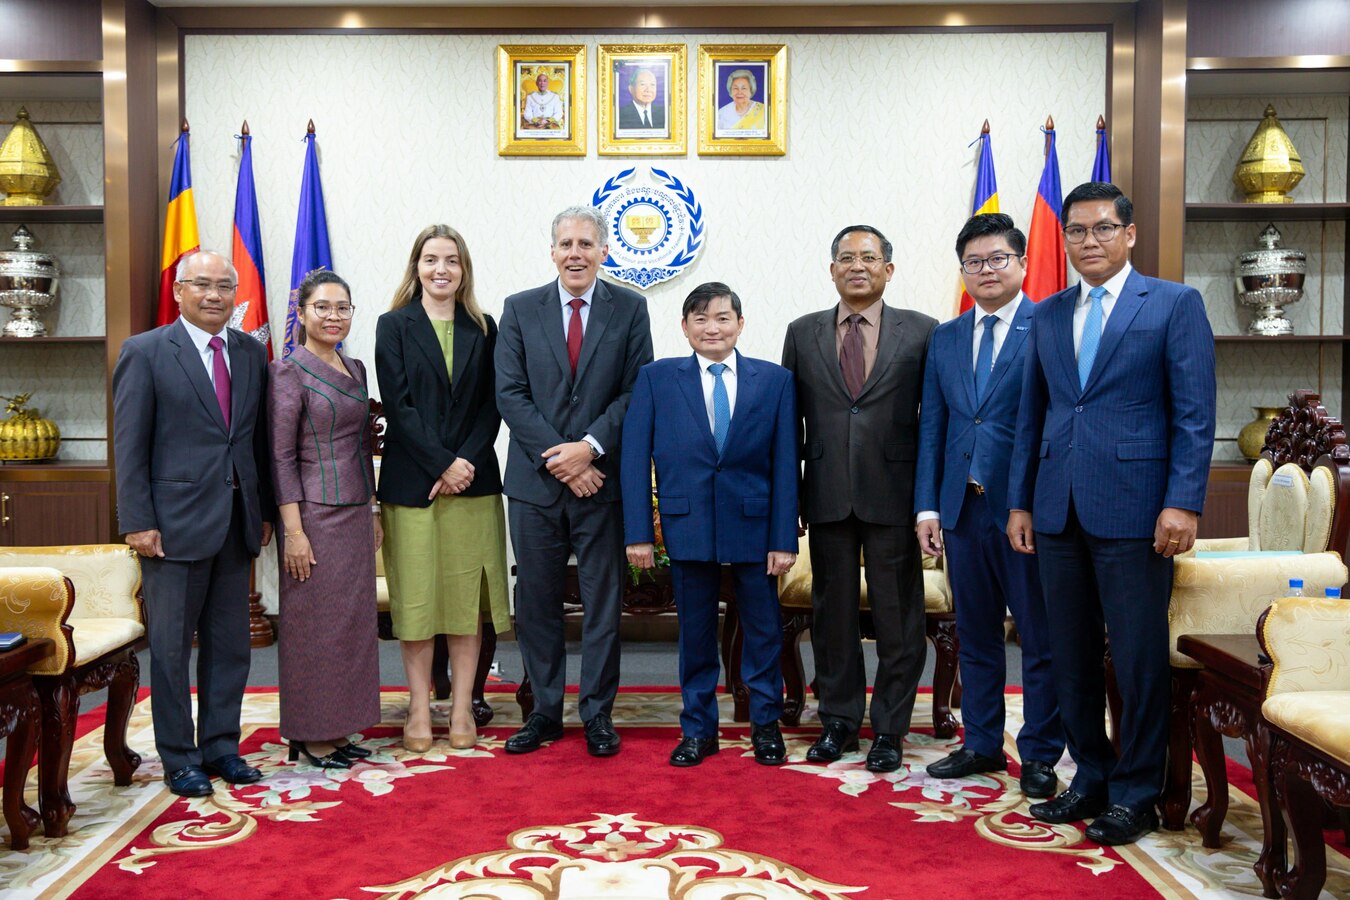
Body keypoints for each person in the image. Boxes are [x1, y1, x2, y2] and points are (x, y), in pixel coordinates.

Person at [1007, 182, 1216, 845]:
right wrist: (1020, 501)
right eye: (1076, 230)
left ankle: (1136, 794)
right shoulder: (1047, 313)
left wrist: (1183, 501)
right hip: (1056, 509)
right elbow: (1032, 416)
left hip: (1137, 509)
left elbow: (1194, 413)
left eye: (1102, 228)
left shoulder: (1174, 304)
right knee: (1067, 656)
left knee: (1136, 659)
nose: (1088, 241)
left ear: (1129, 234)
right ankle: (1091, 777)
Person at [112, 249, 273, 797]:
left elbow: (255, 442)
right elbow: (130, 444)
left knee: (231, 646)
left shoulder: (249, 352)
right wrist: (137, 520)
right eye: (201, 284)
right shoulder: (146, 352)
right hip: (171, 528)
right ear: (179, 291)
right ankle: (180, 757)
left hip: (235, 522)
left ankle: (222, 747)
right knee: (171, 648)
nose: (214, 295)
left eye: (224, 286)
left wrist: (263, 510)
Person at [496, 205, 654, 756]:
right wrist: (560, 459)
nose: (575, 254)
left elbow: (635, 391)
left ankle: (597, 714)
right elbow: (509, 393)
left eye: (586, 244)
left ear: (604, 252)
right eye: (566, 244)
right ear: (552, 251)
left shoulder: (630, 309)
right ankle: (543, 712)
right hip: (535, 486)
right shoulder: (519, 309)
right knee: (536, 603)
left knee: (602, 605)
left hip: (600, 484)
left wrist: (588, 450)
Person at [914, 213, 1063, 797]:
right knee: (974, 635)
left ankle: (1041, 753)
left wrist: (1029, 502)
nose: (986, 270)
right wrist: (928, 508)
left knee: (1038, 638)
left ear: (1021, 263)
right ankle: (980, 743)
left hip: (1024, 512)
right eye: (974, 262)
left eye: (998, 259)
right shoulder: (946, 337)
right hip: (962, 509)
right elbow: (934, 426)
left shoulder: (1048, 326)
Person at [621, 282, 797, 767]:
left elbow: (786, 463)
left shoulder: (775, 381)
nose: (712, 328)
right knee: (695, 635)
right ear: (684, 327)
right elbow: (634, 458)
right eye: (700, 319)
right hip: (687, 525)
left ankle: (765, 726)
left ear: (740, 324)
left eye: (722, 318)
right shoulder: (656, 379)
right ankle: (698, 730)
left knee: (763, 632)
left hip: (755, 529)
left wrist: (784, 537)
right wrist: (638, 534)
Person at [781, 225, 936, 773]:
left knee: (899, 618)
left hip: (895, 495)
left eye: (868, 258)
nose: (857, 266)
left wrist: (928, 504)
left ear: (888, 269)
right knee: (833, 617)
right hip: (826, 494)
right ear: (832, 270)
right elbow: (788, 425)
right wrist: (789, 502)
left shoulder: (923, 332)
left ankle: (890, 728)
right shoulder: (802, 333)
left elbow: (933, 423)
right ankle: (839, 721)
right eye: (845, 258)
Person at [375, 225, 511, 753]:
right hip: (413, 485)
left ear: (463, 269)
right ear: (417, 266)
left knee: (463, 602)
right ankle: (417, 707)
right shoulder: (394, 325)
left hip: (473, 485)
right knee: (416, 602)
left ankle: (460, 709)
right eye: (431, 259)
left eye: (451, 260)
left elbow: (492, 405)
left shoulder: (484, 326)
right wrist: (442, 464)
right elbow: (399, 406)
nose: (441, 269)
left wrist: (462, 465)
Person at [269, 270, 381, 769]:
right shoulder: (287, 371)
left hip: (355, 510)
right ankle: (310, 734)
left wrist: (373, 508)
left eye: (342, 308)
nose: (333, 316)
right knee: (313, 627)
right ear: (302, 313)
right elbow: (280, 457)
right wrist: (293, 532)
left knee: (349, 625)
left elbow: (361, 444)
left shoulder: (355, 367)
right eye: (323, 307)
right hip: (311, 516)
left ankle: (337, 730)